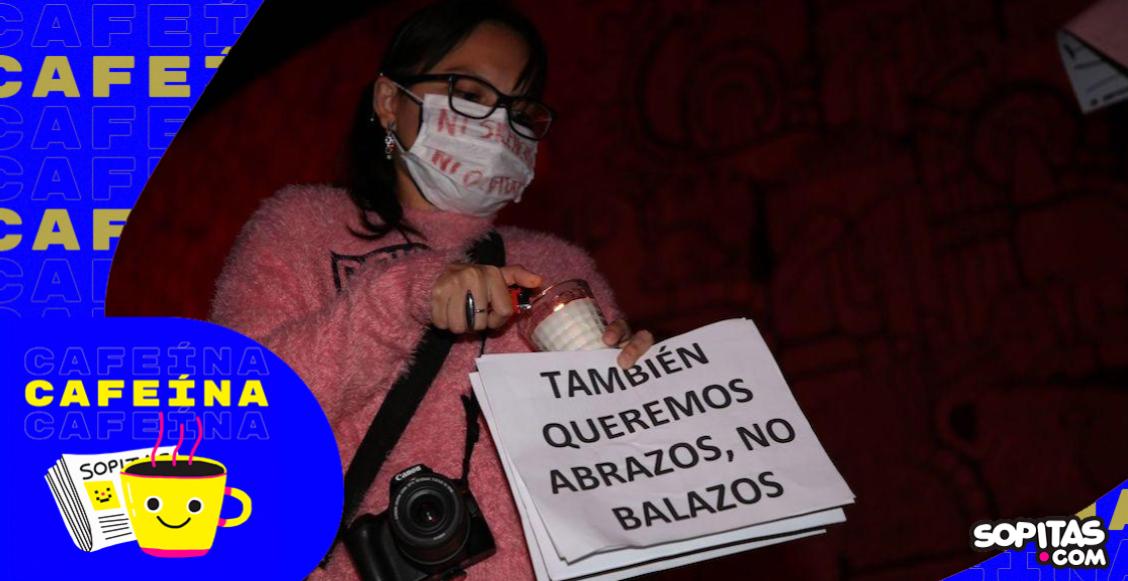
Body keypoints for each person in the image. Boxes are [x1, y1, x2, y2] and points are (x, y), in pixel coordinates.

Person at [208, 0, 654, 578]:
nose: (497, 125)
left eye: (519, 110)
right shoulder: (300, 227)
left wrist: (636, 394)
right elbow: (235, 413)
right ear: (389, 101)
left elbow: (612, 481)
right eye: (468, 93)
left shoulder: (558, 265)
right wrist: (403, 296)